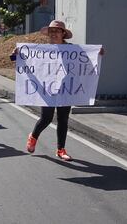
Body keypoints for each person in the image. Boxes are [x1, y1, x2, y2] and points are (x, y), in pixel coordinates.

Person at [11, 20, 104, 161]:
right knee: (46, 118)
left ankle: (61, 149)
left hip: (67, 89)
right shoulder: (41, 50)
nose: (54, 33)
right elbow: (19, 59)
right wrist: (14, 54)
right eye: (52, 31)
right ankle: (33, 136)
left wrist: (98, 53)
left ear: (63, 34)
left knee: (63, 119)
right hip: (47, 90)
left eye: (57, 31)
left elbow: (89, 60)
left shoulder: (73, 50)